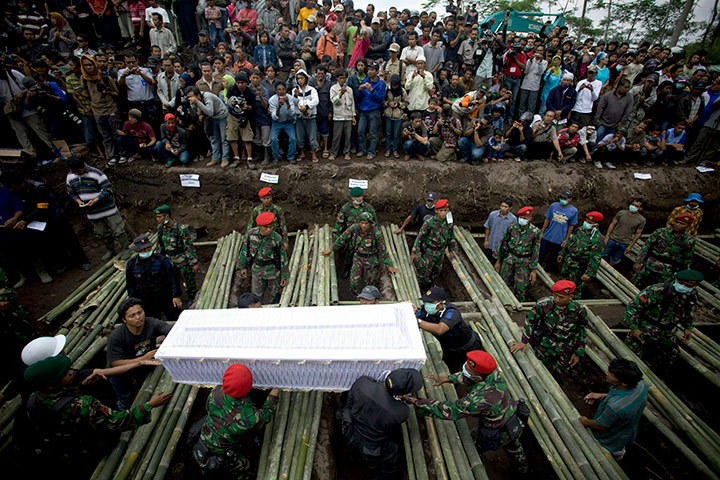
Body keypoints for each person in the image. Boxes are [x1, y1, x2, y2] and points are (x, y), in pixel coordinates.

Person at [23, 354, 172, 464]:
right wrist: (149, 405)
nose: (71, 372)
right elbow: (119, 422)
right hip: (88, 449)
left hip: (59, 449)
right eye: (65, 374)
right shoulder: (83, 405)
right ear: (50, 385)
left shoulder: (33, 399)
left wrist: (80, 386)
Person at [405, 351, 528, 474]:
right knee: (514, 445)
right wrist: (447, 379)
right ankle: (523, 468)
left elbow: (450, 410)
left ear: (478, 378)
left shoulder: (480, 399)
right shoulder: (493, 373)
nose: (465, 369)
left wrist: (417, 401)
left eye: (468, 370)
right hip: (513, 417)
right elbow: (469, 378)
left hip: (498, 430)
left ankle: (481, 470)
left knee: (474, 445)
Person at [194, 363, 280, 478]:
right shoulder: (247, 417)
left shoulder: (215, 393)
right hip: (224, 456)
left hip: (203, 441)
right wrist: (277, 387)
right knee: (245, 466)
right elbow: (266, 413)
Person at [339, 368, 422, 479]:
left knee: (354, 447)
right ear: (402, 393)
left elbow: (349, 403)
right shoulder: (402, 412)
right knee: (394, 458)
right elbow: (391, 427)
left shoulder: (363, 383)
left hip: (352, 430)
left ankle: (352, 460)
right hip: (373, 444)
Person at [2, 172, 90, 275]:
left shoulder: (39, 188)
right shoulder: (18, 192)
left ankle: (82, 261)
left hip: (55, 217)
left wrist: (25, 220)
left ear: (20, 183)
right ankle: (67, 262)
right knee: (54, 243)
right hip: (39, 222)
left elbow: (42, 207)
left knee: (69, 240)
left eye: (13, 187)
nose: (11, 190)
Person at [625, 269, 702, 371]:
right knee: (630, 355)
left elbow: (689, 312)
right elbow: (633, 307)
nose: (684, 287)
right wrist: (634, 327)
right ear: (675, 279)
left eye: (688, 285)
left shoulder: (691, 296)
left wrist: (688, 327)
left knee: (671, 355)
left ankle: (658, 373)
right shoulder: (657, 290)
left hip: (666, 330)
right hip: (645, 326)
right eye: (682, 283)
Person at [511, 280, 588, 381]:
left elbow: (581, 331)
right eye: (555, 295)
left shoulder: (579, 311)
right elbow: (530, 321)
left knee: (562, 375)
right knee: (538, 369)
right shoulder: (543, 304)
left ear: (571, 296)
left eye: (561, 297)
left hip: (566, 347)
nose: (557, 299)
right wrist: (524, 341)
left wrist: (578, 352)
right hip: (545, 344)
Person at [106, 298, 172, 410]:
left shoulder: (151, 323)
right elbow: (116, 363)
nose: (138, 317)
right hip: (120, 372)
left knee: (145, 388)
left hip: (144, 366)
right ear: (124, 319)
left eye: (140, 312)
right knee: (126, 399)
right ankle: (126, 419)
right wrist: (142, 359)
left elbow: (170, 330)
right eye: (132, 316)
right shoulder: (117, 336)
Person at [579, 358, 648, 461]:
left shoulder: (614, 408)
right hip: (627, 431)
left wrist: (587, 421)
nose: (606, 373)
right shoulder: (640, 386)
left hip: (611, 440)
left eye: (611, 374)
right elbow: (625, 398)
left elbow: (602, 425)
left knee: (611, 455)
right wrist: (601, 396)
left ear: (624, 383)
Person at [66, 156, 131, 260]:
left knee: (118, 230)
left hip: (107, 209)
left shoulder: (96, 173)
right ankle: (110, 250)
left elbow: (108, 189)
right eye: (75, 171)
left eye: (79, 170)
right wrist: (78, 200)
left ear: (84, 165)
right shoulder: (70, 177)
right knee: (102, 233)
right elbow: (71, 192)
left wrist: (96, 199)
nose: (77, 173)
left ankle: (125, 249)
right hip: (92, 212)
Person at [322, 212, 398, 296]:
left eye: (366, 223)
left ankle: (369, 298)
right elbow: (342, 238)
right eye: (362, 223)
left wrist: (389, 266)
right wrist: (332, 249)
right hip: (358, 258)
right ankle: (356, 297)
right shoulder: (354, 228)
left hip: (371, 260)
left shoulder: (376, 234)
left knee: (370, 283)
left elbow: (383, 250)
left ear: (370, 223)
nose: (364, 225)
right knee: (353, 282)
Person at [416, 287, 484, 373]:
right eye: (425, 302)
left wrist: (418, 322)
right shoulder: (426, 312)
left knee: (476, 370)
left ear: (440, 304)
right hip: (449, 350)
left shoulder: (452, 312)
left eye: (430, 302)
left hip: (469, 347)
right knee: (452, 370)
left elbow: (440, 329)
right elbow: (414, 315)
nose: (427, 305)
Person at [125, 235, 182, 322]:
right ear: (137, 250)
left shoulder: (162, 260)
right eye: (143, 250)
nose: (146, 251)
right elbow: (130, 284)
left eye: (148, 248)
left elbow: (173, 278)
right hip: (146, 298)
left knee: (175, 317)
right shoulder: (131, 264)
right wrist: (133, 302)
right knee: (152, 321)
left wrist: (176, 295)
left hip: (164, 294)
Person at [237, 212, 289, 303]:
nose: (269, 230)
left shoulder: (277, 238)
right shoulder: (251, 234)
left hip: (272, 270)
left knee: (274, 294)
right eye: (266, 227)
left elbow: (283, 257)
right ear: (259, 226)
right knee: (256, 295)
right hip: (257, 269)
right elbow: (244, 250)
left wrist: (284, 275)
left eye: (271, 226)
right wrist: (242, 266)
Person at [632, 215, 695, 289]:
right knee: (635, 284)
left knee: (659, 290)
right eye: (677, 222)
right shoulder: (660, 232)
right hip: (650, 265)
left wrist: (684, 275)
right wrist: (638, 262)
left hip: (667, 270)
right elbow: (646, 247)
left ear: (687, 226)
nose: (678, 225)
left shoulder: (688, 240)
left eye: (682, 224)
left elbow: (687, 258)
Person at [153, 205, 199, 303]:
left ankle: (192, 295)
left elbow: (188, 246)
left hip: (182, 258)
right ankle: (176, 295)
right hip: (169, 258)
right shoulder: (161, 228)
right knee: (171, 278)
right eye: (157, 217)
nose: (157, 219)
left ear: (167, 216)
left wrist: (193, 262)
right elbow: (160, 244)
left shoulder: (181, 229)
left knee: (188, 277)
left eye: (159, 217)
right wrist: (158, 258)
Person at [495, 207, 540, 302]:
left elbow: (536, 250)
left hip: (524, 261)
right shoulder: (512, 228)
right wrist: (498, 260)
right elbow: (503, 243)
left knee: (521, 286)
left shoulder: (535, 232)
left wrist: (533, 269)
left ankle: (520, 305)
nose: (522, 220)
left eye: (525, 218)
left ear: (531, 218)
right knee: (503, 282)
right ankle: (502, 301)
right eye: (521, 217)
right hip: (509, 258)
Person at [411, 199, 456, 290]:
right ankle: (423, 289)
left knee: (436, 271)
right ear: (436, 211)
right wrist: (414, 251)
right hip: (430, 251)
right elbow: (420, 237)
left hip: (441, 252)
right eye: (441, 211)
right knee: (425, 271)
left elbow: (451, 237)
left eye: (445, 210)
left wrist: (451, 250)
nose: (443, 213)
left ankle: (432, 288)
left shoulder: (448, 223)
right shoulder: (430, 222)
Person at [558, 212, 604, 298]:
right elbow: (571, 242)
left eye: (590, 223)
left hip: (578, 267)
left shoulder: (597, 239)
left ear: (596, 225)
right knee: (562, 282)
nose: (586, 223)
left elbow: (595, 257)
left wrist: (589, 273)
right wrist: (562, 253)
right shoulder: (580, 230)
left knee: (574, 288)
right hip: (568, 261)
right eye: (586, 221)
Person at [334, 187, 377, 277]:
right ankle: (347, 268)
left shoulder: (368, 208)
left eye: (361, 196)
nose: (359, 199)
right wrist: (338, 236)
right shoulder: (346, 208)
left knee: (365, 254)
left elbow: (374, 222)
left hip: (365, 236)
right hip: (350, 236)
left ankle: (364, 271)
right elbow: (339, 223)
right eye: (357, 197)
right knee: (349, 254)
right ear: (352, 198)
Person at [539, 190, 578, 273]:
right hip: (548, 235)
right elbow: (547, 219)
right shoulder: (553, 206)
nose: (562, 200)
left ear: (570, 199)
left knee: (553, 256)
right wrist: (542, 232)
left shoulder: (573, 211)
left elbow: (571, 226)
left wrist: (566, 239)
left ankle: (548, 270)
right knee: (542, 253)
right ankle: (538, 268)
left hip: (560, 238)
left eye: (565, 198)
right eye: (561, 198)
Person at [603, 199, 646, 266]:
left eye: (636, 206)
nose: (633, 206)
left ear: (641, 208)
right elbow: (613, 224)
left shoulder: (641, 220)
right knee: (604, 255)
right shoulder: (621, 213)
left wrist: (631, 246)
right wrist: (607, 236)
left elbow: (638, 233)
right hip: (612, 239)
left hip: (624, 243)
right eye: (632, 204)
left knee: (615, 259)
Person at [357, 61, 386, 159]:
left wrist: (372, 90)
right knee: (360, 131)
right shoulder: (365, 81)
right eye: (369, 69)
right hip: (363, 110)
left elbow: (380, 99)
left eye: (372, 70)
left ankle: (372, 152)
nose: (370, 72)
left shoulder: (381, 84)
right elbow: (360, 97)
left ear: (377, 71)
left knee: (373, 132)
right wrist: (360, 91)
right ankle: (362, 150)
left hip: (374, 110)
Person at [329, 68, 356, 161]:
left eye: (344, 78)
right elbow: (334, 101)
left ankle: (347, 152)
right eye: (340, 78)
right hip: (338, 116)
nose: (342, 80)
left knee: (347, 136)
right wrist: (340, 94)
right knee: (336, 136)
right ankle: (334, 152)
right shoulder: (333, 89)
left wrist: (353, 116)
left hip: (348, 115)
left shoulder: (349, 90)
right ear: (337, 78)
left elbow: (352, 103)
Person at [269, 82, 298, 163]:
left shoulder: (290, 98)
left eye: (283, 89)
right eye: (279, 89)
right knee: (273, 139)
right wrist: (279, 107)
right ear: (275, 91)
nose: (281, 91)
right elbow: (274, 116)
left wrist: (287, 103)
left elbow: (292, 113)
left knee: (293, 138)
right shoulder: (272, 100)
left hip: (288, 121)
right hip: (277, 122)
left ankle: (290, 156)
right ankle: (276, 156)